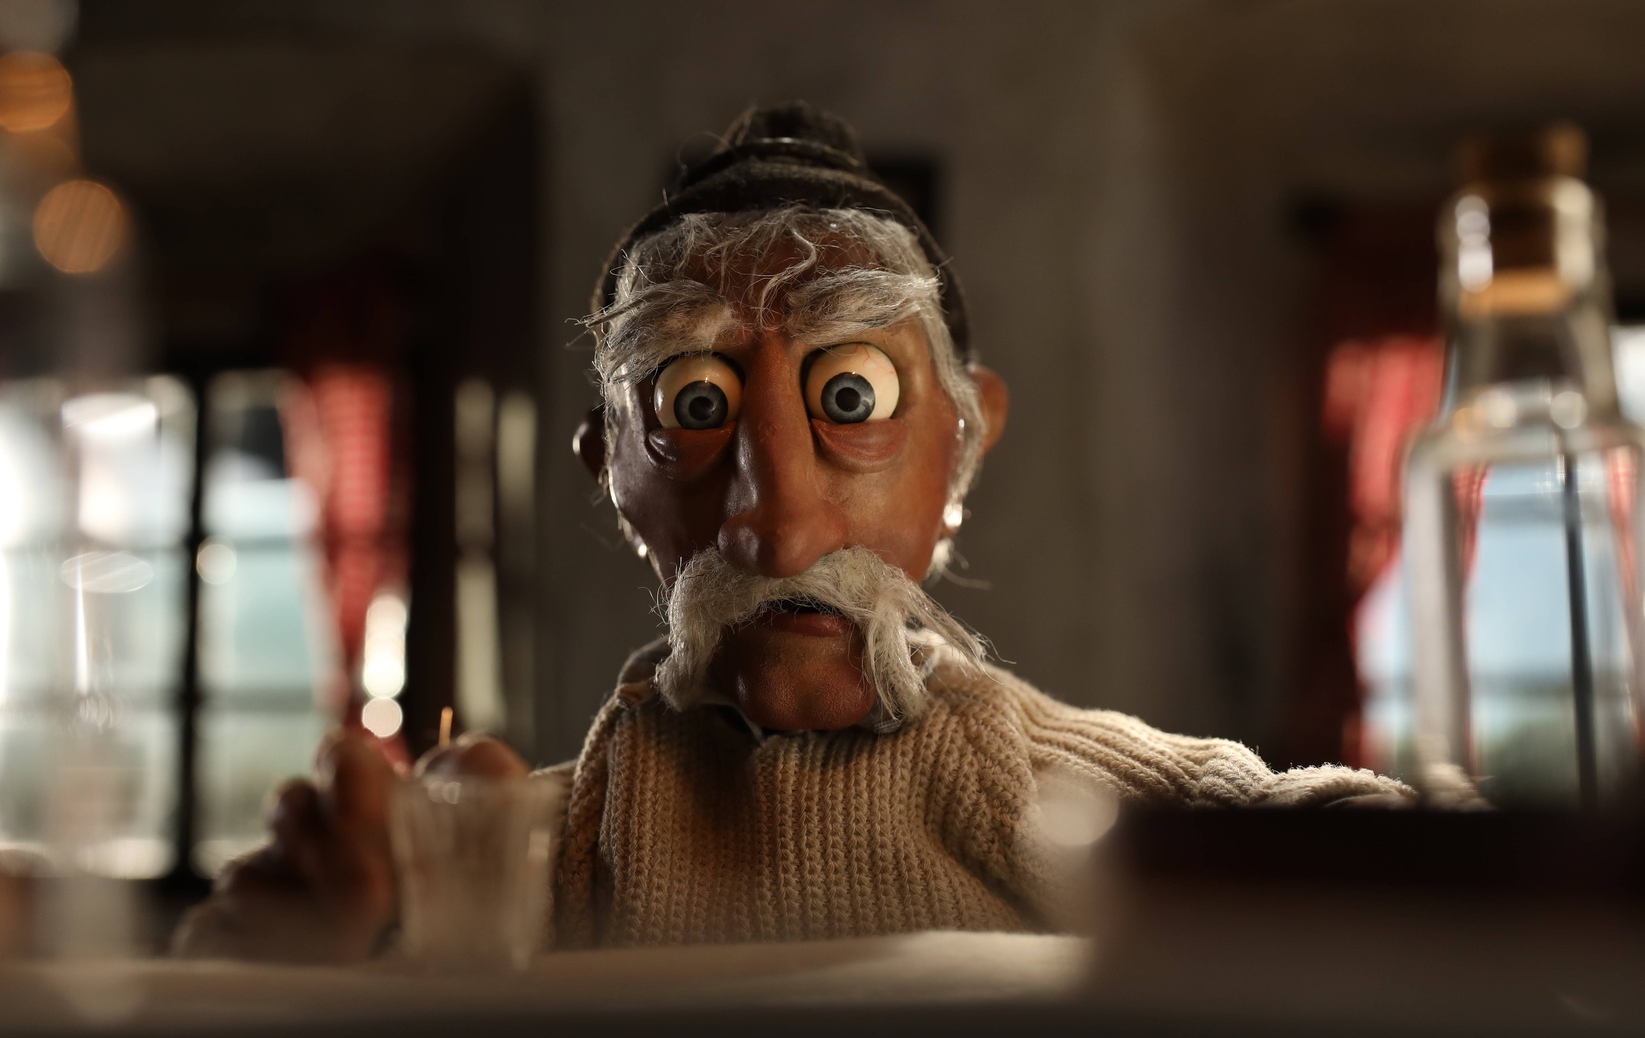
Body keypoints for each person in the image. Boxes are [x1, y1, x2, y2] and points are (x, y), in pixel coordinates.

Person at [173, 102, 1408, 961]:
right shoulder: (535, 859)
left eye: (851, 400)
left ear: (964, 440)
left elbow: (1365, 856)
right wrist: (317, 942)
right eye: (693, 410)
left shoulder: (1056, 800)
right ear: (611, 472)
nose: (776, 524)